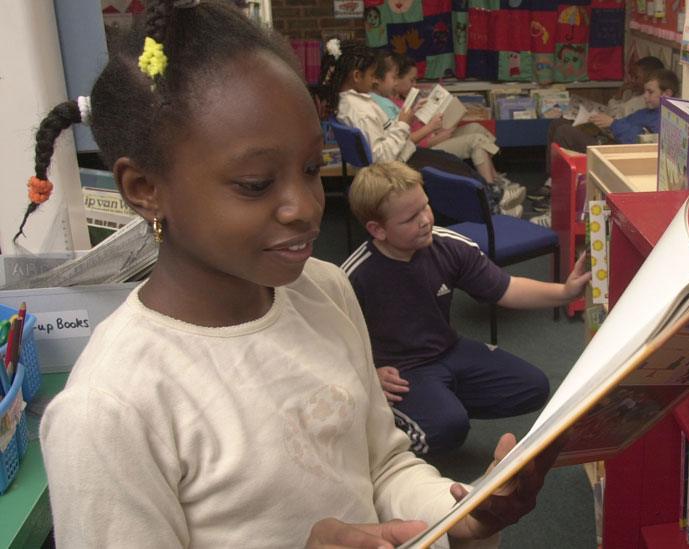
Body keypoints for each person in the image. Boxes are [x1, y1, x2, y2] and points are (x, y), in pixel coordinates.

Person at [37, 2, 555, 547]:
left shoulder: (325, 291)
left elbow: (381, 468)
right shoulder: (108, 411)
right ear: (145, 190)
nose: (305, 207)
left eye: (311, 168)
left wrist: (457, 518)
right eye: (256, 183)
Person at [342, 161, 591, 455]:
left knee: (534, 387)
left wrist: (565, 292)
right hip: (402, 370)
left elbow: (507, 289)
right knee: (447, 428)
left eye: (425, 206)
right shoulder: (354, 276)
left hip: (449, 349)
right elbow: (326, 343)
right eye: (410, 218)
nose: (425, 219)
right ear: (378, 230)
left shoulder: (446, 245)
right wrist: (368, 376)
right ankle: (399, 427)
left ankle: (438, 405)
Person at [319, 39, 524, 217]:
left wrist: (401, 123)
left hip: (402, 154)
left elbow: (381, 138)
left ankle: (493, 197)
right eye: (372, 76)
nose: (374, 81)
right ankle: (492, 209)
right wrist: (403, 124)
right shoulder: (359, 110)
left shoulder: (352, 102)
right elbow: (380, 157)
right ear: (356, 76)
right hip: (394, 164)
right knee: (449, 169)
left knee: (450, 161)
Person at [530, 67, 679, 226]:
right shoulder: (646, 112)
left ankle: (556, 202)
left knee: (564, 132)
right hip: (610, 139)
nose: (645, 96)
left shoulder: (667, 118)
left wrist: (613, 124)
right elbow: (625, 123)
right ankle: (552, 183)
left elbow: (642, 142)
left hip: (616, 155)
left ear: (666, 94)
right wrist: (606, 125)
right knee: (557, 123)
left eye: (650, 92)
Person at [387, 53, 525, 197]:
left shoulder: (405, 101)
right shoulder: (394, 107)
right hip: (426, 148)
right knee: (476, 140)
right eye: (411, 80)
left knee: (476, 128)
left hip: (432, 136)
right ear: (396, 80)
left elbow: (418, 127)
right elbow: (411, 143)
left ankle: (495, 178)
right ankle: (492, 191)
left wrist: (437, 123)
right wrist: (439, 134)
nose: (414, 85)